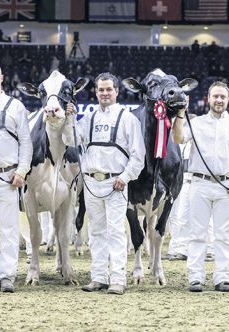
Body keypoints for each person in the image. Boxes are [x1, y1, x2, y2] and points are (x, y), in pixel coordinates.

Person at [64, 72, 145, 295]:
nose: (105, 93)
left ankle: (118, 279)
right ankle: (98, 277)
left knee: (116, 231)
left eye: (109, 89)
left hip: (116, 182)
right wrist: (69, 118)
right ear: (96, 92)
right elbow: (70, 140)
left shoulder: (128, 119)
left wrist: (125, 178)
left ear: (117, 91)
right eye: (101, 90)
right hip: (91, 182)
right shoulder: (88, 118)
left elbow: (139, 155)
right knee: (96, 231)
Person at [172, 81, 229, 292]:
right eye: (215, 96)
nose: (219, 100)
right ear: (208, 98)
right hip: (199, 183)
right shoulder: (196, 123)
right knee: (197, 233)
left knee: (223, 235)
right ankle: (195, 278)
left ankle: (222, 278)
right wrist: (181, 113)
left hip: (227, 185)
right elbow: (178, 138)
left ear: (228, 99)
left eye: (222, 97)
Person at [0, 62, 32, 292]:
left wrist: (22, 171)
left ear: (2, 77)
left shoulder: (15, 106)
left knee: (8, 229)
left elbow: (26, 142)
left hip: (6, 176)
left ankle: (6, 276)